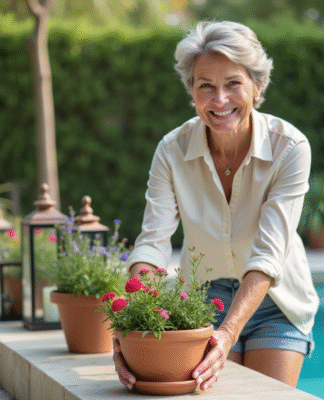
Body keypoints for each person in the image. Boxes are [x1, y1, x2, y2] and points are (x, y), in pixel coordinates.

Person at [113, 20, 320, 391]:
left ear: (257, 87)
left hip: (276, 300)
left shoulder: (289, 148)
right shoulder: (171, 150)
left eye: (233, 84)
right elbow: (153, 242)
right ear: (191, 91)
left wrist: (228, 334)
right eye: (205, 86)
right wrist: (132, 323)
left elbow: (269, 254)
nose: (219, 100)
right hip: (201, 300)